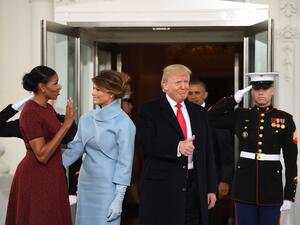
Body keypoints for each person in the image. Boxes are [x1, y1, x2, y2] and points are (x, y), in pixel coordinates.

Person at [208, 72, 298, 225]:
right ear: (252, 91)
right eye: (256, 89)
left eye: (265, 88)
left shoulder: (285, 119)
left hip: (272, 188)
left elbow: (291, 160)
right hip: (244, 187)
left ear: (273, 90)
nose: (261, 92)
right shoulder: (240, 115)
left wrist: (289, 194)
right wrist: (233, 99)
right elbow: (209, 118)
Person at [138, 64, 217, 225]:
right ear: (164, 85)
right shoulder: (149, 110)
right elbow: (146, 144)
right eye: (178, 82)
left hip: (195, 186)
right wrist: (177, 147)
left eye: (186, 82)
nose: (184, 87)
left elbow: (207, 152)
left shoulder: (199, 113)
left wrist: (210, 188)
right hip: (163, 187)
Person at [62, 70, 136, 225]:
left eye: (97, 89)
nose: (92, 92)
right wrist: (47, 165)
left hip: (108, 187)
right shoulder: (87, 118)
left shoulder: (124, 123)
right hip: (85, 183)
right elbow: (74, 149)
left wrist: (119, 198)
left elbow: (125, 163)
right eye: (93, 88)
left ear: (111, 93)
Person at [5, 65, 75, 225]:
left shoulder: (48, 108)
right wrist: (66, 125)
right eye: (55, 83)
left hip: (53, 172)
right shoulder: (30, 112)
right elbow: (42, 155)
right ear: (42, 87)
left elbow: (53, 140)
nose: (59, 87)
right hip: (36, 175)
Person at [188, 80, 234, 225]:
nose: (193, 96)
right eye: (190, 93)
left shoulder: (214, 116)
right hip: (188, 180)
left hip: (212, 180)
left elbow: (226, 151)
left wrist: (224, 180)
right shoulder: (181, 114)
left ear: (205, 95)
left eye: (197, 93)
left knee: (211, 218)